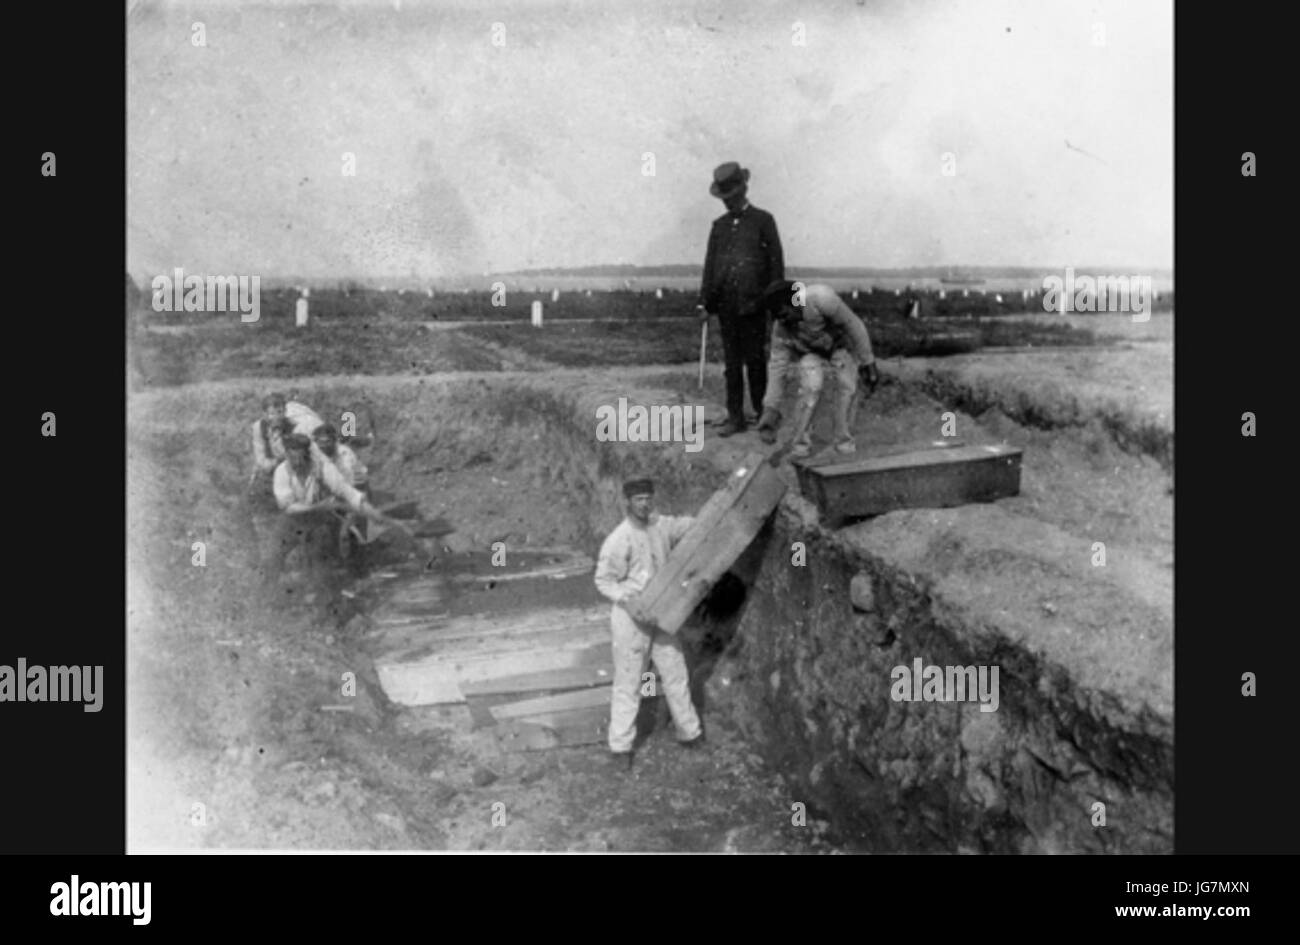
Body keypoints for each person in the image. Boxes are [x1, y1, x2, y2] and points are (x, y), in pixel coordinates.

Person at [594, 478, 704, 771]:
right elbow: (604, 581)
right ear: (627, 502)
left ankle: (689, 734)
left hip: (662, 614)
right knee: (630, 681)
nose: (644, 504)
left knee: (675, 671)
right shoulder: (619, 538)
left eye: (648, 498)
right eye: (638, 499)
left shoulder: (659, 526)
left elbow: (688, 526)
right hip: (632, 618)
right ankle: (620, 748)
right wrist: (629, 603)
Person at [696, 162, 784, 437]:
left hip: (754, 305)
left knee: (756, 362)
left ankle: (763, 417)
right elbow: (710, 266)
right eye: (723, 199)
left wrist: (776, 303)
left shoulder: (763, 221)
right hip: (726, 307)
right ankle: (735, 417)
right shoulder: (719, 226)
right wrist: (704, 302)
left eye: (731, 197)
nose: (727, 203)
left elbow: (776, 265)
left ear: (742, 191)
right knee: (732, 365)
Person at [755, 280, 881, 458]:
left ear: (795, 301)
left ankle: (844, 443)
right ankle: (800, 446)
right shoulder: (781, 329)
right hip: (809, 351)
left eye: (784, 313)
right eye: (777, 317)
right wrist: (770, 408)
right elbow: (777, 368)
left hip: (840, 344)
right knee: (811, 387)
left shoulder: (821, 299)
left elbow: (853, 325)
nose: (782, 320)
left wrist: (869, 362)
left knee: (847, 387)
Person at [265, 433, 395, 582]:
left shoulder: (322, 468)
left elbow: (347, 492)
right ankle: (268, 597)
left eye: (301, 457)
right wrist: (319, 506)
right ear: (287, 454)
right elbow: (287, 507)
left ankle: (329, 592)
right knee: (272, 558)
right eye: (293, 457)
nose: (297, 462)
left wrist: (372, 512)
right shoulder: (281, 472)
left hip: (318, 522)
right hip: (292, 521)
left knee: (320, 565)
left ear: (307, 454)